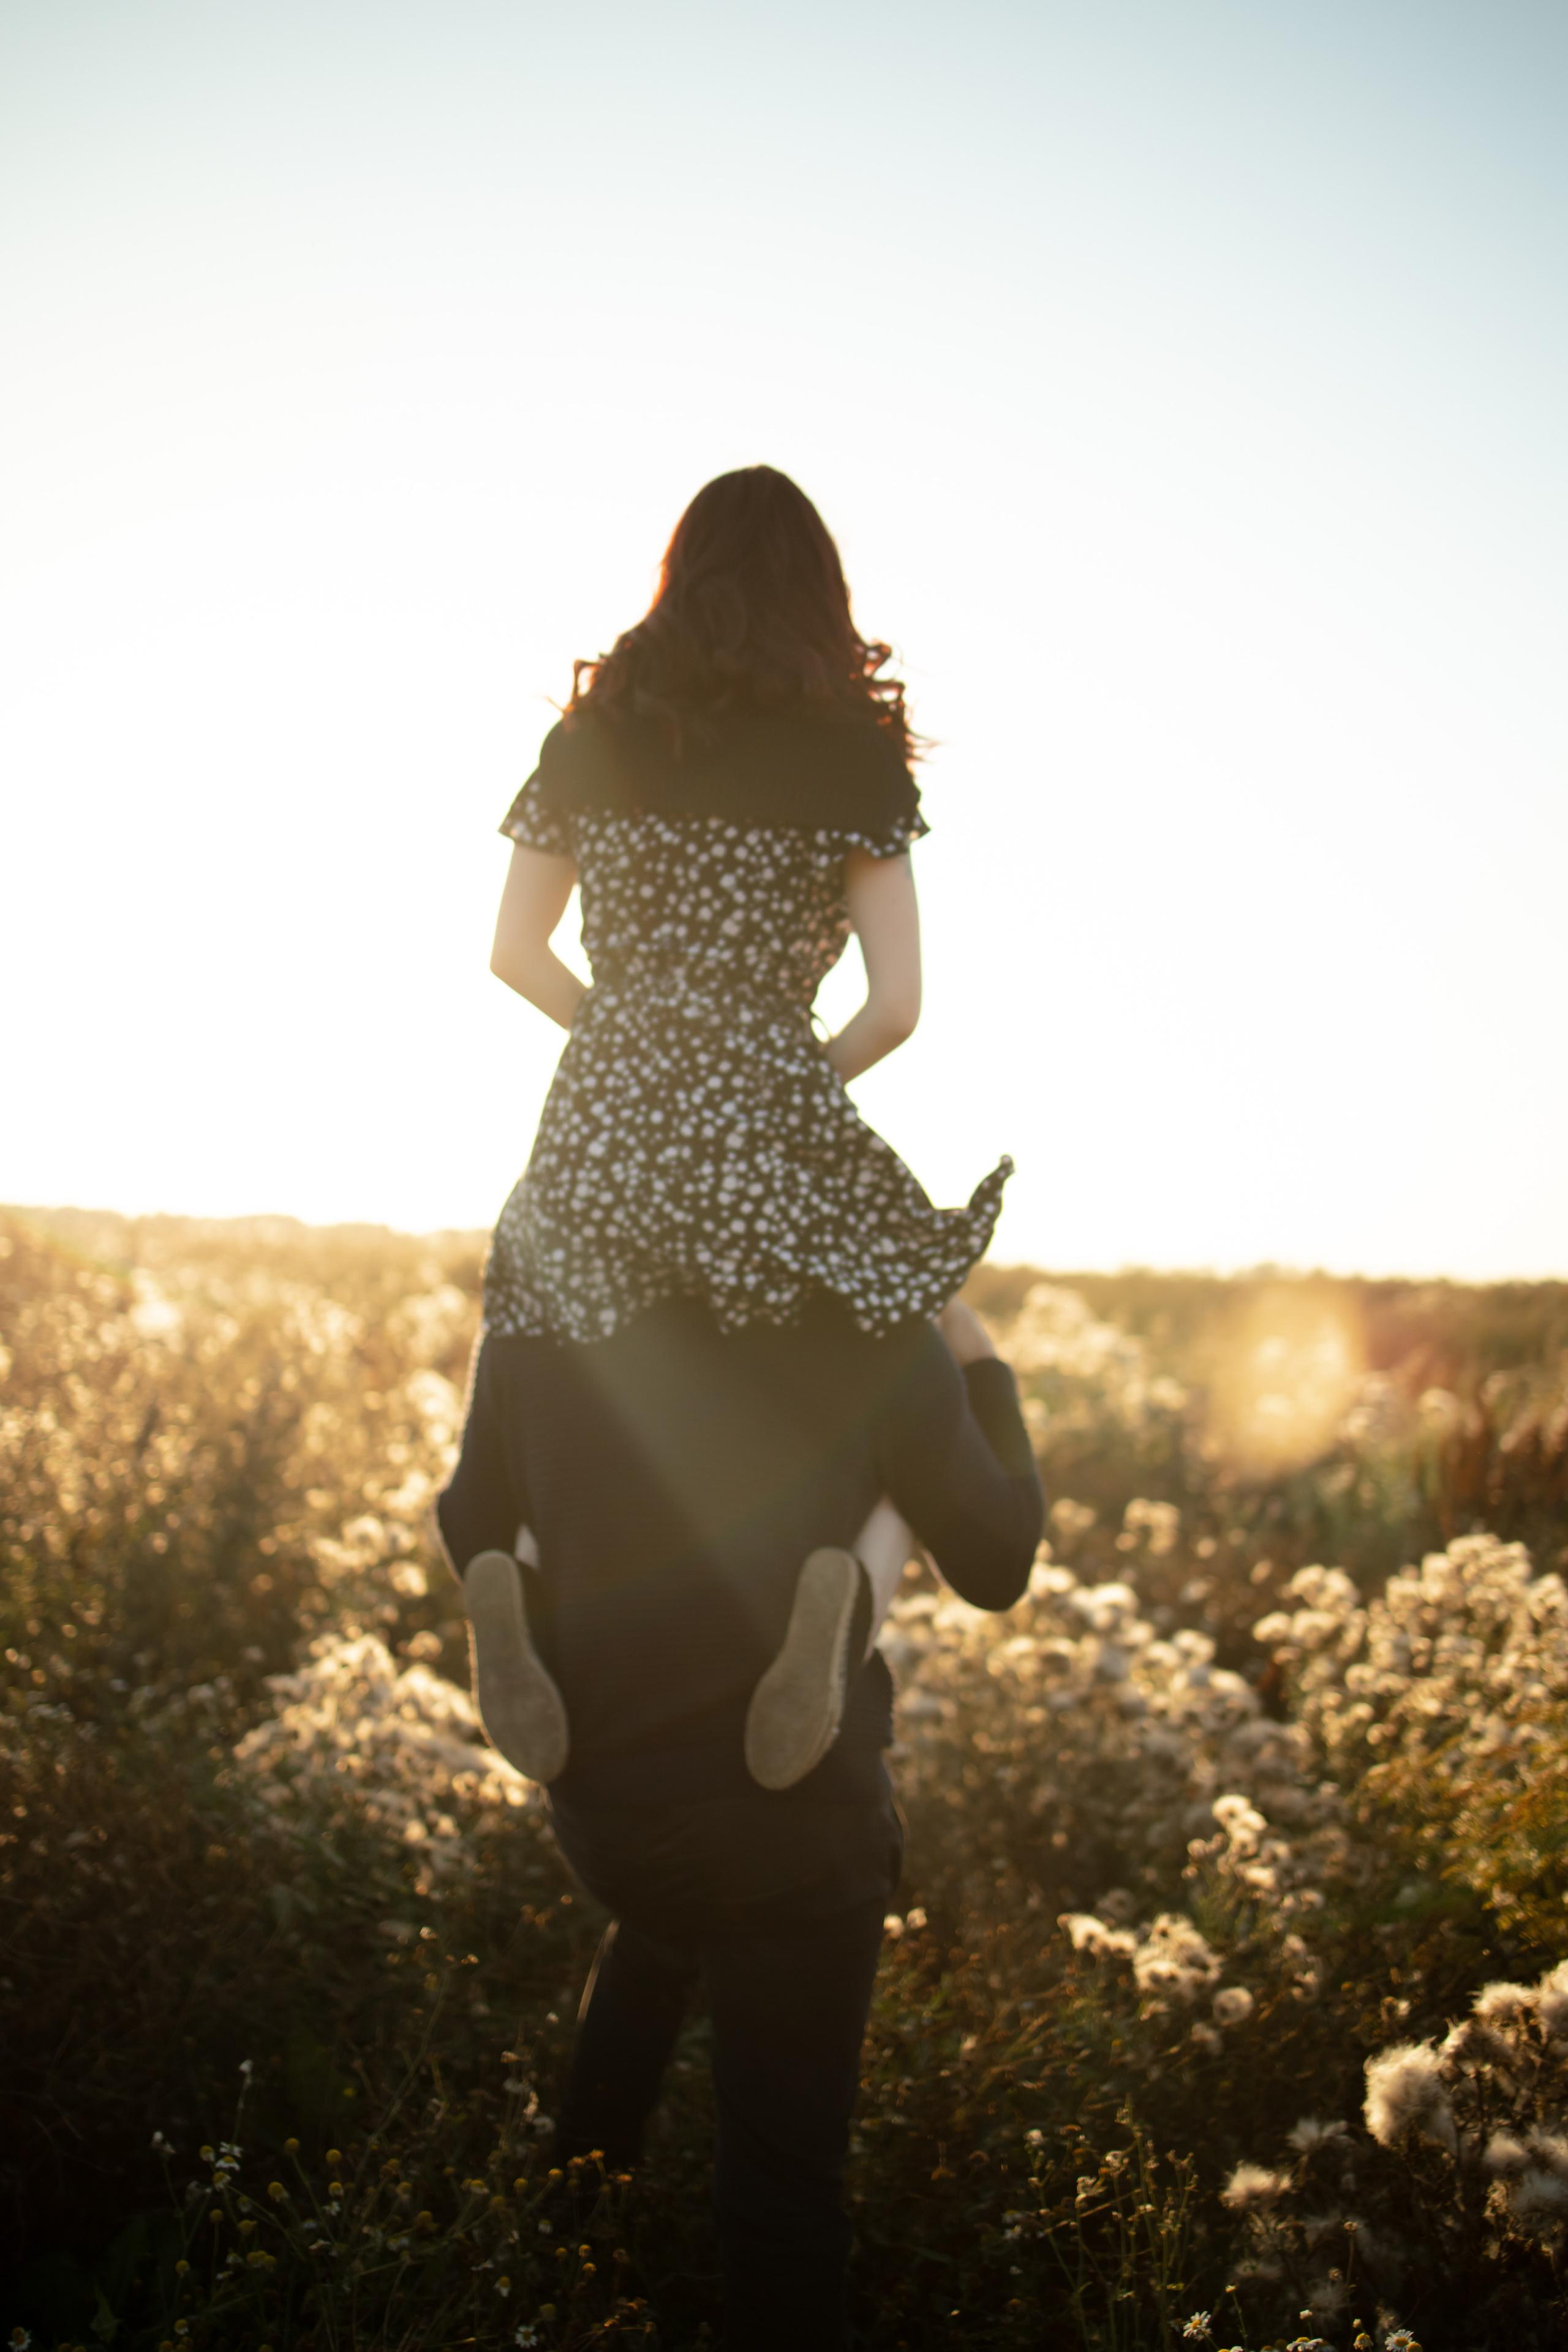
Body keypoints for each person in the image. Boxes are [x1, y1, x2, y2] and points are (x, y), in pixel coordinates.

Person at [478, 463, 1015, 1783]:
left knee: (544, 1344)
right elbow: (895, 1009)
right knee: (885, 1344)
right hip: (772, 1106)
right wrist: (773, 1082)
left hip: (602, 1106)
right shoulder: (853, 754)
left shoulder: (597, 728)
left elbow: (512, 952)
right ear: (820, 600)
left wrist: (630, 1050)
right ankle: (835, 1597)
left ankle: (517, 1583)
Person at [434, 1283, 1042, 2351]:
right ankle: (849, 1595)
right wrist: (977, 1364)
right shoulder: (877, 1323)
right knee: (784, 2188)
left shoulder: (542, 1310)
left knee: (665, 1913)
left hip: (606, 1804)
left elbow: (469, 1513)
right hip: (789, 1829)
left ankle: (565, 2234)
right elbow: (997, 1565)